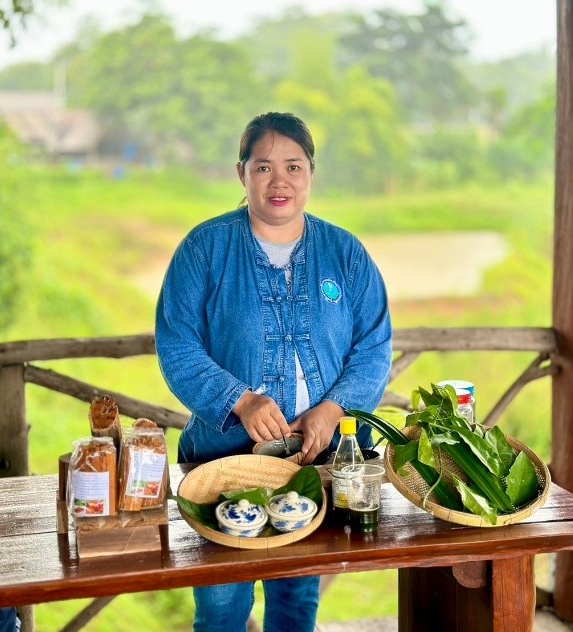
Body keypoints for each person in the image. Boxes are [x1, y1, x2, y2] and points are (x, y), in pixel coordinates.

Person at [155, 111, 392, 632]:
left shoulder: (345, 253)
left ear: (311, 173)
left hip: (314, 465)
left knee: (296, 603)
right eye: (263, 167)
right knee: (221, 610)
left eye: (293, 166)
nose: (279, 181)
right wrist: (241, 400)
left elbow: (374, 347)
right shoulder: (205, 249)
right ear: (241, 173)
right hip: (221, 466)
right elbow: (177, 345)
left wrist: (333, 409)